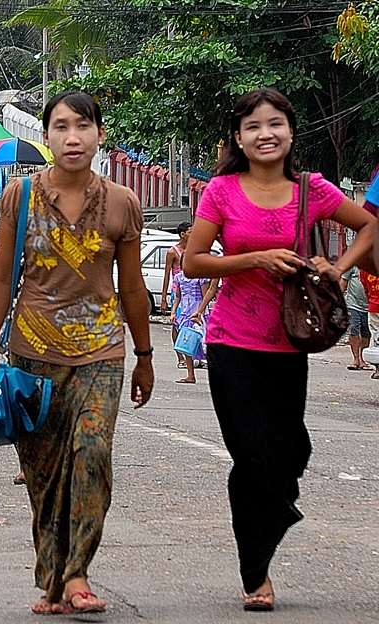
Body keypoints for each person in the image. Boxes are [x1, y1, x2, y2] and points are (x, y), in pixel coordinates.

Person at [182, 87, 374, 613]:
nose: (265, 134)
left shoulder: (313, 190)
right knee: (252, 458)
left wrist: (339, 266)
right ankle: (256, 571)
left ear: (290, 132)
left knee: (292, 454)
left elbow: (369, 225)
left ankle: (277, 508)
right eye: (253, 127)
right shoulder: (221, 192)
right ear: (239, 139)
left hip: (291, 343)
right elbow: (194, 261)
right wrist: (254, 259)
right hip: (231, 344)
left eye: (275, 124)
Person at [0, 91, 154, 615]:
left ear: (99, 132)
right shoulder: (19, 196)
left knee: (92, 455)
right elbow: (2, 278)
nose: (72, 137)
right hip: (33, 355)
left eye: (82, 126)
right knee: (44, 472)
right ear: (45, 135)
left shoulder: (122, 201)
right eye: (60, 127)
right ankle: (53, 576)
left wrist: (144, 354)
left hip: (103, 351)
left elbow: (134, 286)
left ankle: (76, 572)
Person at [172, 267, 218, 383]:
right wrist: (173, 312)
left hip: (198, 312)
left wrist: (200, 312)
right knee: (187, 343)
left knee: (206, 344)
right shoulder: (180, 277)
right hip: (185, 313)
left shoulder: (200, 277)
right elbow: (178, 296)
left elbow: (206, 295)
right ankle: (190, 374)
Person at [161, 222, 191, 328]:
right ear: (183, 234)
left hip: (191, 293)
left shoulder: (192, 250)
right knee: (177, 322)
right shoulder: (172, 252)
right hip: (177, 292)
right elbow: (166, 275)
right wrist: (163, 298)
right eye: (190, 232)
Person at [342, 267, 372, 371]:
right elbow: (343, 282)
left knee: (366, 333)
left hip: (370, 305)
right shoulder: (353, 266)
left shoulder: (373, 265)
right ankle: (356, 359)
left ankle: (362, 359)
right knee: (354, 330)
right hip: (352, 304)